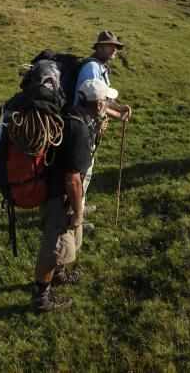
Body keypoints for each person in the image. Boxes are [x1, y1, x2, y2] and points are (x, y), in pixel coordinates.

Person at [32, 78, 119, 312]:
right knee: (54, 247)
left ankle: (59, 274)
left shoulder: (74, 114)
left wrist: (95, 130)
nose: (108, 102)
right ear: (99, 105)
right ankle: (41, 297)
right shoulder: (79, 129)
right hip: (59, 197)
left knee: (65, 242)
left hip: (60, 193)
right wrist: (78, 211)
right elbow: (72, 179)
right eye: (106, 99)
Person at [74, 30, 132, 230]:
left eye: (116, 45)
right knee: (81, 171)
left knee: (87, 169)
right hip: (84, 126)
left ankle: (79, 206)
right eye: (111, 45)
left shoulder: (100, 67)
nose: (115, 49)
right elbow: (94, 100)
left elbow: (104, 97)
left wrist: (119, 107)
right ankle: (76, 216)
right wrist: (118, 115)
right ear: (99, 47)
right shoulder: (92, 68)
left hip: (92, 125)